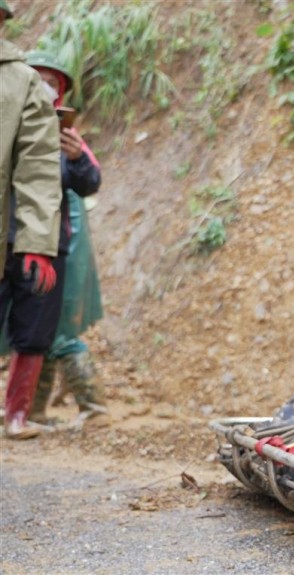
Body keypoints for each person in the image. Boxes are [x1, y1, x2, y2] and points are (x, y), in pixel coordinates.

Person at [21, 50, 108, 428]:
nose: (45, 86)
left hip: (62, 243)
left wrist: (75, 159)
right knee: (35, 325)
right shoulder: (15, 125)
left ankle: (94, 407)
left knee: (57, 326)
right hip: (23, 238)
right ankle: (31, 409)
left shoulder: (68, 138)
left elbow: (90, 181)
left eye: (52, 81)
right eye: (38, 77)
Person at [0, 0, 65, 440]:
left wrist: (39, 243)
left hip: (13, 232)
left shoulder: (20, 82)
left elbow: (40, 165)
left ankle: (17, 413)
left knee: (33, 324)